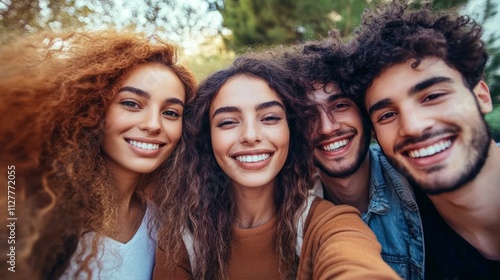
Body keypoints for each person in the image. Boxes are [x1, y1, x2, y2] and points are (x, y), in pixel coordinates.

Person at [152, 54, 400, 279]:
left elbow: (354, 261)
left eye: (270, 118)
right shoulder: (183, 236)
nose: (250, 135)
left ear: (292, 131)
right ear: (207, 138)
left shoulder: (327, 222)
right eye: (227, 122)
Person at [0, 30, 196, 279]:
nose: (153, 124)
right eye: (131, 103)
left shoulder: (165, 224)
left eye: (170, 113)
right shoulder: (32, 216)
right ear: (92, 108)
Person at [348, 1, 500, 279]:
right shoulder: (382, 233)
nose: (414, 127)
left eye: (432, 96)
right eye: (387, 114)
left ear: (481, 97)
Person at [279, 33, 424, 279]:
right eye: (309, 115)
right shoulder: (293, 212)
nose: (327, 127)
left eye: (340, 106)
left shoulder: (419, 178)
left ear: (365, 112)